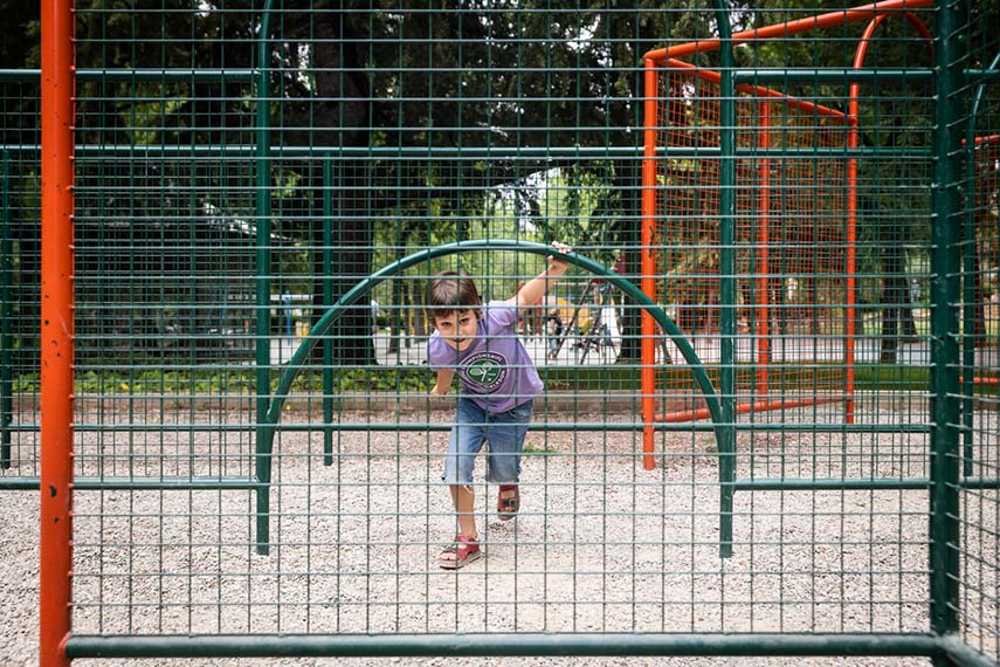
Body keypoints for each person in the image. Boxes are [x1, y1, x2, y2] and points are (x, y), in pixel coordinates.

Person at [426, 243, 572, 569]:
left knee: (504, 466)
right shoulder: (437, 345)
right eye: (446, 325)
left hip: (514, 404)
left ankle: (508, 482)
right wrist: (441, 388)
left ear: (477, 312)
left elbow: (526, 297)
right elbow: (445, 366)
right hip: (473, 405)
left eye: (464, 320)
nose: (457, 333)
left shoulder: (495, 316)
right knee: (456, 465)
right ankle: (468, 539)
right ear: (434, 323)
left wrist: (556, 270)